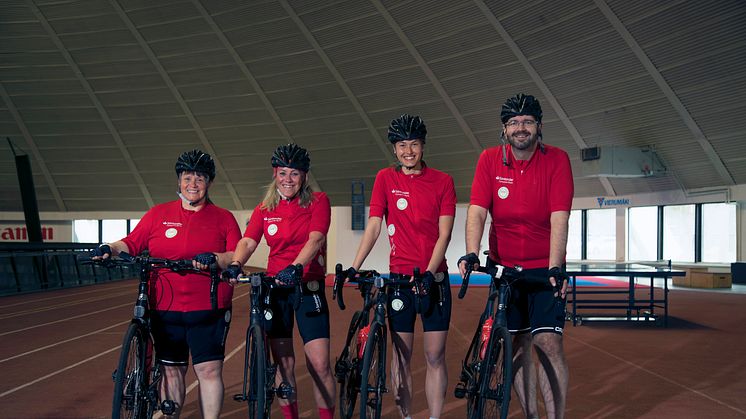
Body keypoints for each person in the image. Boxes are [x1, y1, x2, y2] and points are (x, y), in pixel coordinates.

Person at [92, 149, 242, 419]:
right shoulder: (158, 214)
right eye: (187, 178)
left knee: (208, 370)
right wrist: (109, 248)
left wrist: (216, 258)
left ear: (209, 183)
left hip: (207, 305)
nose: (192, 184)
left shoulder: (223, 217)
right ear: (178, 181)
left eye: (199, 178)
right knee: (172, 370)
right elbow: (132, 242)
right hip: (164, 304)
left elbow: (235, 255)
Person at [458, 93, 573, 419]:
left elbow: (559, 217)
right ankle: (531, 415)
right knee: (518, 348)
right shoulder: (489, 160)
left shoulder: (557, 160)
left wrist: (555, 266)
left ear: (539, 126)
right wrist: (470, 249)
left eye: (526, 121)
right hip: (504, 272)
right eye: (513, 123)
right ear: (504, 130)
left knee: (549, 345)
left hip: (543, 271)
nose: (520, 128)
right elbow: (478, 211)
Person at [349, 114, 456, 419]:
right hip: (399, 283)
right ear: (394, 149)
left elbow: (445, 233)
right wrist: (356, 267)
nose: (408, 150)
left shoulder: (443, 181)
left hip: (433, 280)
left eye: (414, 144)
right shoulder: (385, 178)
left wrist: (428, 273)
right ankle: (407, 416)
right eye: (402, 145)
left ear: (423, 146)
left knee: (435, 356)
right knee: (401, 356)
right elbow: (373, 226)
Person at [224, 144, 335, 419]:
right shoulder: (265, 208)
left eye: (294, 174)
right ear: (275, 174)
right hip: (275, 289)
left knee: (320, 364)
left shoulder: (318, 201)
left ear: (304, 177)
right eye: (283, 173)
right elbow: (249, 240)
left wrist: (296, 267)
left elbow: (316, 238)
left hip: (307, 285)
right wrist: (236, 262)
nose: (288, 179)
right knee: (284, 363)